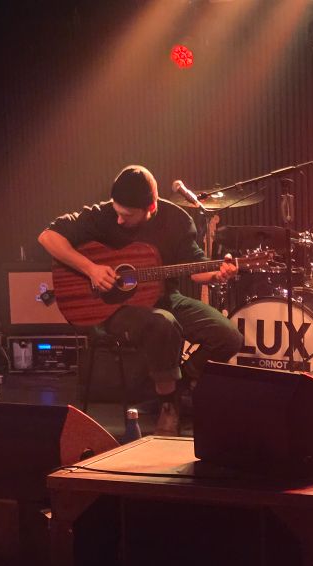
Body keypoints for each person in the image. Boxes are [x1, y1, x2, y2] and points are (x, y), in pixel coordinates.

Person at [38, 165, 243, 436]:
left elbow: (196, 270)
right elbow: (47, 237)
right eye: (117, 211)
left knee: (229, 336)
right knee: (162, 324)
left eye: (128, 215)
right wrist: (91, 269)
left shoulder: (176, 221)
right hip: (113, 309)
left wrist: (218, 273)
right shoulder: (104, 215)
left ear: (151, 206)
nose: (119, 220)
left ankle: (178, 384)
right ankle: (169, 406)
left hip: (164, 298)